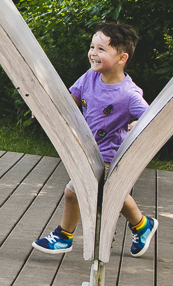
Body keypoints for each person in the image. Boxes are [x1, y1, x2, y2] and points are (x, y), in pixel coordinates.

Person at [32, 22, 159, 257]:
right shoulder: (90, 77)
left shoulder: (129, 94)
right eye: (92, 47)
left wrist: (136, 124)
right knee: (104, 196)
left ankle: (64, 236)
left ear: (121, 58)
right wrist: (46, 109)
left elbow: (151, 118)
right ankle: (142, 225)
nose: (93, 53)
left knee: (90, 194)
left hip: (111, 154)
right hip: (89, 152)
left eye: (101, 49)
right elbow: (71, 100)